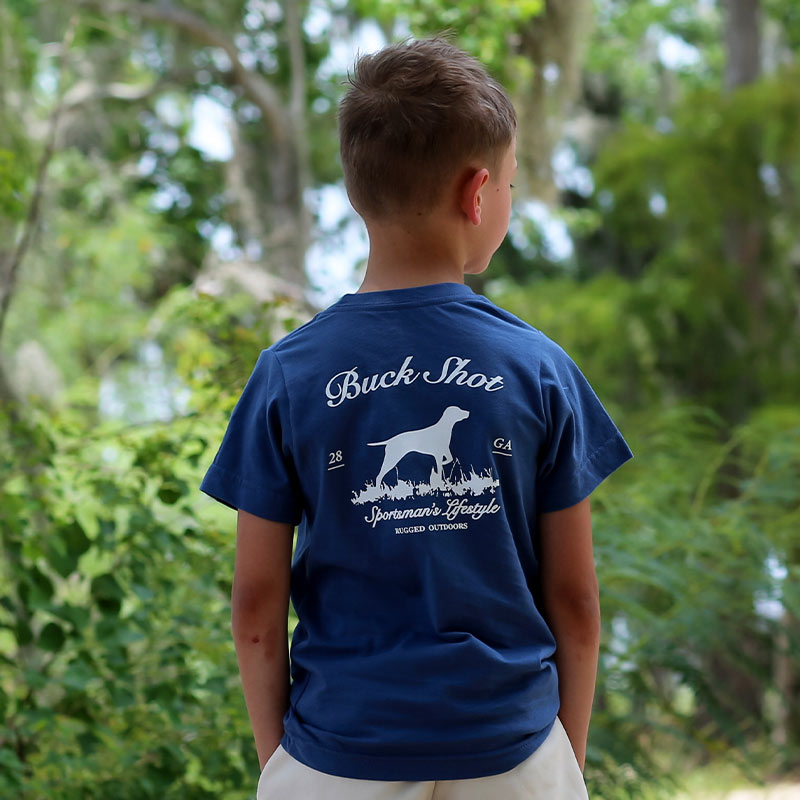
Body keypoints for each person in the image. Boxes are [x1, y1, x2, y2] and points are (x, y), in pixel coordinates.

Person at [200, 37, 632, 800]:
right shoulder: (538, 368)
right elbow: (576, 601)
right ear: (477, 194)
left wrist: (280, 765)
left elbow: (255, 606)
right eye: (510, 183)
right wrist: (564, 759)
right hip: (514, 749)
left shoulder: (289, 374)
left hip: (337, 755)